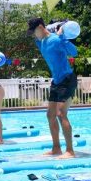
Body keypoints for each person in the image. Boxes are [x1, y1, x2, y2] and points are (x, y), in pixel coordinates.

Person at [28, 17, 78, 158]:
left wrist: (62, 36)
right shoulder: (41, 42)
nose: (33, 34)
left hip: (67, 79)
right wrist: (52, 27)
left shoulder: (56, 40)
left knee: (61, 114)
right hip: (56, 81)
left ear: (39, 27)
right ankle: (56, 148)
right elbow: (42, 36)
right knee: (50, 114)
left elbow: (74, 53)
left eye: (33, 31)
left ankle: (70, 151)